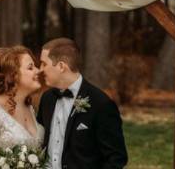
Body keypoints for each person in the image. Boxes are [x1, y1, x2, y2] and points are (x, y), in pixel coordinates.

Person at [37, 38, 128, 169]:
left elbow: (116, 158)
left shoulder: (101, 104)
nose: (40, 69)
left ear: (61, 66)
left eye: (44, 64)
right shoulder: (47, 99)